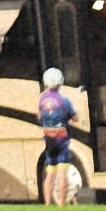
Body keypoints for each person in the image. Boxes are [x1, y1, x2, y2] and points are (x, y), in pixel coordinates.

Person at [38, 67, 79, 202]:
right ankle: (61, 203)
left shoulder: (41, 99)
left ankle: (48, 203)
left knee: (50, 173)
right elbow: (74, 117)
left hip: (49, 140)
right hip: (61, 140)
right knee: (62, 173)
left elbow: (39, 116)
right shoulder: (64, 100)